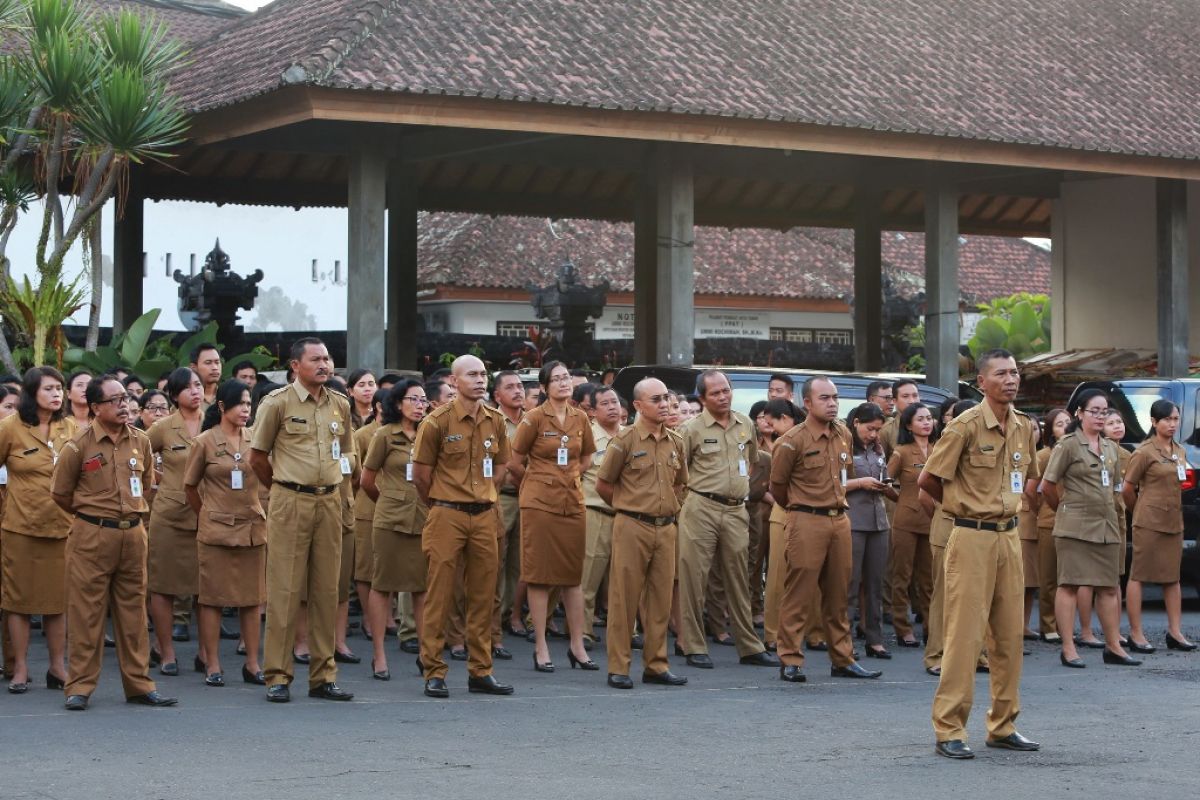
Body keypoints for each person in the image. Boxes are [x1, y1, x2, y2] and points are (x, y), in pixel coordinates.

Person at [918, 349, 1039, 759]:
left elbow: (1028, 479)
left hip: (1009, 536)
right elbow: (928, 481)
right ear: (982, 382)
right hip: (970, 537)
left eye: (1015, 373)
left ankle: (1003, 725)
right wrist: (961, 508)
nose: (1011, 380)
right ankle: (949, 728)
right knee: (964, 637)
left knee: (1008, 637)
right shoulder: (964, 426)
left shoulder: (1023, 426)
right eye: (1001, 374)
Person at [51, 375, 176, 710]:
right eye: (115, 400)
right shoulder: (78, 446)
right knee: (86, 615)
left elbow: (147, 483)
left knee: (134, 613)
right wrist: (92, 517)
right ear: (95, 407)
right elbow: (60, 493)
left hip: (133, 534)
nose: (124, 405)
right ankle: (79, 687)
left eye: (125, 399)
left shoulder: (141, 441)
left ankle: (139, 684)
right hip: (92, 534)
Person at [250, 337, 355, 703]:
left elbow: (347, 451)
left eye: (327, 358)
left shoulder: (340, 404)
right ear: (296, 366)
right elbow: (258, 457)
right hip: (290, 500)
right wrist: (282, 488)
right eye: (316, 359)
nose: (325, 364)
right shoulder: (277, 403)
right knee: (285, 590)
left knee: (327, 590)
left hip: (329, 501)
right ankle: (278, 675)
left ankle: (323, 675)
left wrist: (342, 493)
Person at [411, 354, 514, 698]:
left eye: (484, 374)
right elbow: (422, 476)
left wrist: (483, 495)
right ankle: (433, 669)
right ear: (454, 382)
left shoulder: (495, 421)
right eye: (472, 374)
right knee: (440, 594)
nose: (481, 380)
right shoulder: (436, 422)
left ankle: (480, 670)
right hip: (446, 513)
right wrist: (444, 503)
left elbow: (501, 468)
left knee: (484, 594)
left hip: (484, 513)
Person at [769, 376, 881, 684]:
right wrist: (799, 508)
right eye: (824, 398)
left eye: (835, 397)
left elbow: (844, 476)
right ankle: (790, 658)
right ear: (807, 404)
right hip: (805, 519)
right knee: (799, 592)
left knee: (838, 593)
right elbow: (778, 486)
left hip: (839, 519)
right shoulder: (792, 440)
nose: (832, 403)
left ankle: (842, 658)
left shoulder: (843, 433)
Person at [676, 369, 776, 670]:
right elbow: (678, 473)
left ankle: (749, 646)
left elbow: (753, 460)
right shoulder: (691, 429)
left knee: (739, 578)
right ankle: (693, 645)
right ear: (703, 398)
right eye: (715, 393)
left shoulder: (745, 422)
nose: (723, 396)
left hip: (736, 509)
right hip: (701, 506)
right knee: (695, 577)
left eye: (726, 390)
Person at [595, 377, 688, 689]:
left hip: (666, 527)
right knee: (624, 598)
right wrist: (628, 507)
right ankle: (619, 666)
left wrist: (669, 506)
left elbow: (681, 484)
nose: (664, 405)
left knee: (661, 599)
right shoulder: (625, 441)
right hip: (632, 524)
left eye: (666, 398)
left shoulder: (675, 441)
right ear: (637, 406)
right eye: (656, 400)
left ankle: (656, 664)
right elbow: (604, 484)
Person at [1040, 389, 1137, 669]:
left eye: (1104, 411)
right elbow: (1047, 487)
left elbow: (1114, 488)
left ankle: (1114, 646)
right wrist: (1067, 510)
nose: (1099, 416)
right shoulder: (1068, 445)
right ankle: (1069, 648)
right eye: (1094, 411)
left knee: (1108, 587)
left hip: (1106, 524)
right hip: (1074, 527)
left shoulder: (1110, 448)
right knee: (1069, 585)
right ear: (1079, 414)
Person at [510, 361, 597, 672]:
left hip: (572, 500)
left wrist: (569, 475)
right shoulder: (534, 418)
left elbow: (586, 457)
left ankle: (577, 645)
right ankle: (541, 645)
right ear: (544, 387)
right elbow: (514, 461)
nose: (563, 383)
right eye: (557, 379)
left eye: (566, 377)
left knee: (572, 574)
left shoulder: (580, 417)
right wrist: (538, 482)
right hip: (538, 503)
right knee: (539, 574)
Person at [183, 379, 268, 687]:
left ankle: (253, 664)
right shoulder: (204, 442)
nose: (246, 409)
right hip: (216, 530)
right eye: (239, 404)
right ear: (222, 407)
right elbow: (190, 487)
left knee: (252, 598)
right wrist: (207, 513)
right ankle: (213, 663)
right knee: (212, 599)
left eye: (249, 404)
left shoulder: (256, 438)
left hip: (251, 527)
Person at [0, 367, 75, 694]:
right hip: (21, 527)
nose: (57, 394)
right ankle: (19, 668)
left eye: (60, 388)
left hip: (62, 527)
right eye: (49, 388)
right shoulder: (10, 428)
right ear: (32, 393)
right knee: (19, 601)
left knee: (58, 602)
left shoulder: (70, 427)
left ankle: (58, 667)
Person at [361, 379, 429, 680]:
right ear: (398, 403)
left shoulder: (430, 434)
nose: (419, 405)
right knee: (383, 585)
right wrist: (389, 502)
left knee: (422, 589)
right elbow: (366, 480)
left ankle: (428, 655)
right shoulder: (385, 436)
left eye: (423, 400)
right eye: (413, 399)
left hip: (424, 518)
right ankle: (379, 655)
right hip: (390, 520)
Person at [1122, 399, 1197, 653]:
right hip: (1148, 521)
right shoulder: (1144, 452)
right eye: (1167, 419)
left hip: (1173, 521)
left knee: (1172, 578)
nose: (1172, 424)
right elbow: (1127, 489)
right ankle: (1136, 633)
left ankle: (1175, 632)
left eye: (1175, 419)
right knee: (1139, 575)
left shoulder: (1180, 451)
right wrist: (1140, 512)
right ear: (1154, 422)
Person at [920, 399, 978, 677]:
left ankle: (976, 654)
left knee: (977, 596)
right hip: (949, 526)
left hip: (979, 530)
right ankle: (936, 655)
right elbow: (925, 489)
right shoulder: (948, 441)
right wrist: (954, 507)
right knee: (945, 595)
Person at [845, 402, 896, 659]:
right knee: (849, 585)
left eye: (878, 429)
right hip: (853, 521)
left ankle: (874, 639)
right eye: (870, 428)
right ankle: (845, 641)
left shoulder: (878, 450)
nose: (874, 434)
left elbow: (885, 476)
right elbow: (832, 483)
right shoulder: (843, 448)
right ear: (855, 423)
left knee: (876, 584)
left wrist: (886, 486)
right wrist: (861, 483)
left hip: (879, 521)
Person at [888, 402, 937, 647]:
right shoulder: (902, 451)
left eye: (929, 418)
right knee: (902, 576)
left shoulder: (939, 449)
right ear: (909, 425)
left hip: (932, 520)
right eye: (921, 419)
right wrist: (902, 500)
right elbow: (885, 482)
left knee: (929, 579)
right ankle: (902, 627)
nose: (927, 422)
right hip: (906, 521)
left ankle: (931, 627)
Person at [761, 398, 803, 651]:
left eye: (772, 422)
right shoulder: (782, 443)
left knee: (803, 577)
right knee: (777, 578)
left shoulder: (797, 439)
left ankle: (802, 631)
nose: (771, 428)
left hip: (802, 514)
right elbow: (776, 485)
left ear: (784, 419)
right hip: (784, 511)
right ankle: (772, 634)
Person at [580, 384, 621, 638]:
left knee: (624, 580)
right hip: (595, 512)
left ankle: (626, 631)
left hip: (626, 516)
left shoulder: (630, 435)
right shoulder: (586, 437)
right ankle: (582, 631)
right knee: (589, 578)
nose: (612, 407)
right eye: (605, 403)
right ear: (593, 411)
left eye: (615, 402)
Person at [491, 371, 526, 657]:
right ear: (497, 396)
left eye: (520, 386)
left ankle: (508, 616)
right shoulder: (492, 421)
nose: (518, 391)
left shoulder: (533, 419)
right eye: (510, 387)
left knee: (519, 563)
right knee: (495, 563)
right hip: (500, 498)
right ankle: (491, 627)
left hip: (527, 498)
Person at [351, 388, 387, 640]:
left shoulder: (406, 434)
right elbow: (357, 476)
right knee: (365, 567)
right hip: (367, 506)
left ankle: (387, 617)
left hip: (394, 507)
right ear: (378, 408)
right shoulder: (363, 435)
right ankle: (367, 616)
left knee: (387, 566)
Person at [1035, 407, 1070, 642]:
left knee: (1066, 577)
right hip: (1050, 520)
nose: (1065, 427)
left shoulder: (1075, 450)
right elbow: (1032, 490)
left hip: (1071, 521)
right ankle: (1048, 624)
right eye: (1059, 423)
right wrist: (1049, 508)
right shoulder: (1045, 455)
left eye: (1068, 422)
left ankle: (1063, 623)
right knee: (1048, 576)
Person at [880, 378, 921, 457]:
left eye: (915, 396)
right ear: (895, 401)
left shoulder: (929, 426)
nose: (912, 401)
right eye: (905, 396)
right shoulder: (886, 431)